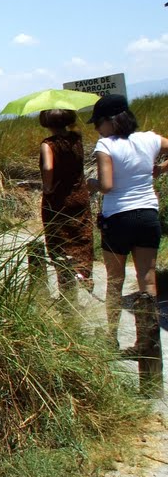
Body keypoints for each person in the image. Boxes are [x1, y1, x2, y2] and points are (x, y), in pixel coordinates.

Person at [86, 94, 168, 356]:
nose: (96, 128)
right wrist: (161, 168)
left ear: (109, 122)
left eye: (97, 122)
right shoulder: (150, 139)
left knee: (115, 280)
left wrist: (93, 184)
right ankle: (148, 343)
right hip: (147, 215)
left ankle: (111, 337)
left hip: (118, 217)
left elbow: (108, 186)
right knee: (147, 280)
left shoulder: (105, 145)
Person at [38, 109, 93, 296]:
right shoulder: (76, 139)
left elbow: (48, 166)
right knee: (81, 234)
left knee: (59, 238)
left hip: (58, 198)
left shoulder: (48, 144)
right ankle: (83, 272)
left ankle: (66, 281)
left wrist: (47, 187)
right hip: (79, 194)